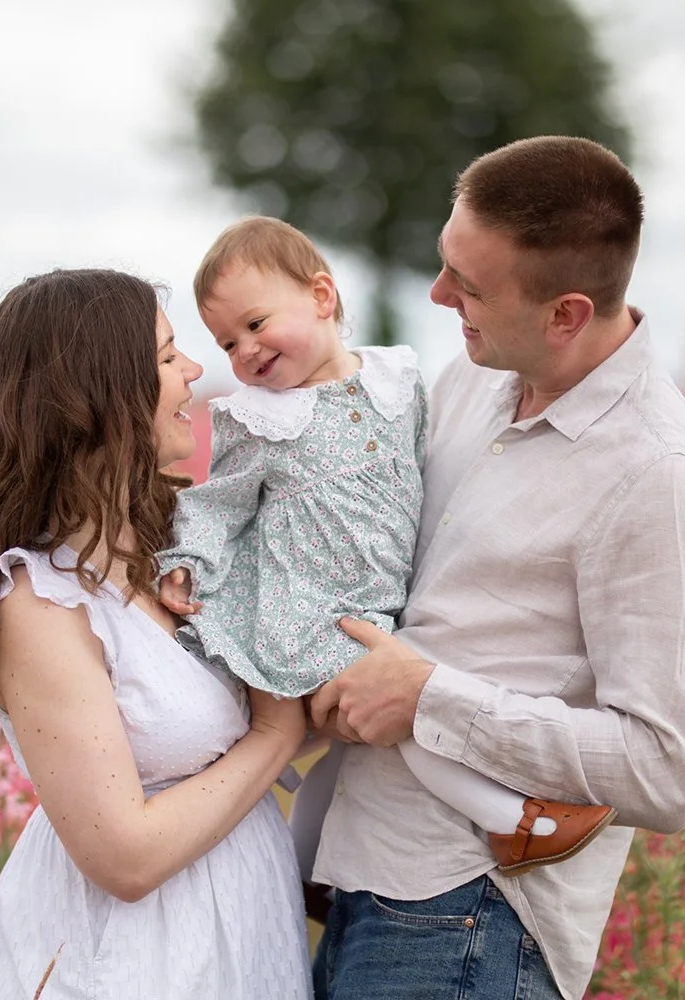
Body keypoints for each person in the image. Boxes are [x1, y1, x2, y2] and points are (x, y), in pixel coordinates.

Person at [306, 137, 685, 1000]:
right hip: (363, 869)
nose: (438, 297)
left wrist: (428, 696)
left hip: (473, 918)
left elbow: (665, 770)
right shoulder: (477, 378)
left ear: (567, 314)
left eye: (468, 286)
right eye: (445, 265)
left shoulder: (659, 478)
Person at [156, 217, 616, 898]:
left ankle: (304, 875)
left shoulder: (397, 380)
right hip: (310, 612)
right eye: (227, 341)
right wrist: (188, 560)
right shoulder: (261, 418)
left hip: (382, 598)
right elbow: (217, 502)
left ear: (321, 297)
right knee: (404, 721)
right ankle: (515, 819)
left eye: (255, 323)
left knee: (352, 759)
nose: (244, 350)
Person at [0, 269, 312, 999]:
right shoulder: (42, 606)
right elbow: (123, 856)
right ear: (98, 399)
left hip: (237, 940)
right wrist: (276, 735)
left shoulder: (173, 556)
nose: (197, 371)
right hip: (128, 965)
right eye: (168, 357)